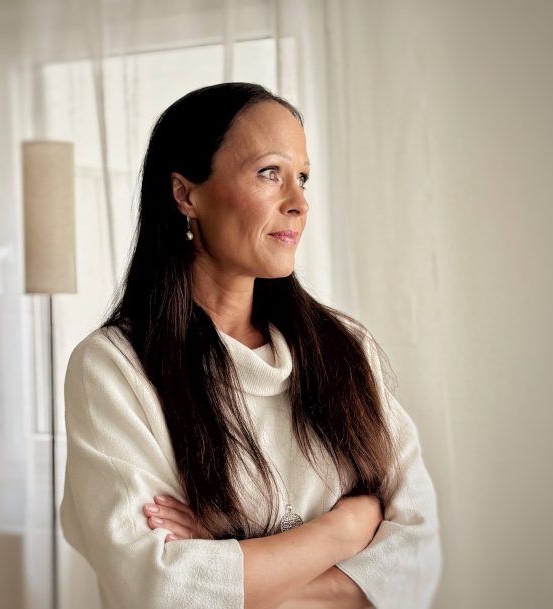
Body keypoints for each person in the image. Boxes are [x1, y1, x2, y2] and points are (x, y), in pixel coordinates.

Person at [60, 82, 442, 609]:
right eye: (269, 173)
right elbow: (161, 590)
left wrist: (230, 561)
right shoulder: (114, 367)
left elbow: (417, 563)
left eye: (302, 178)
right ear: (186, 195)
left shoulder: (346, 349)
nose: (298, 203)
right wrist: (345, 529)